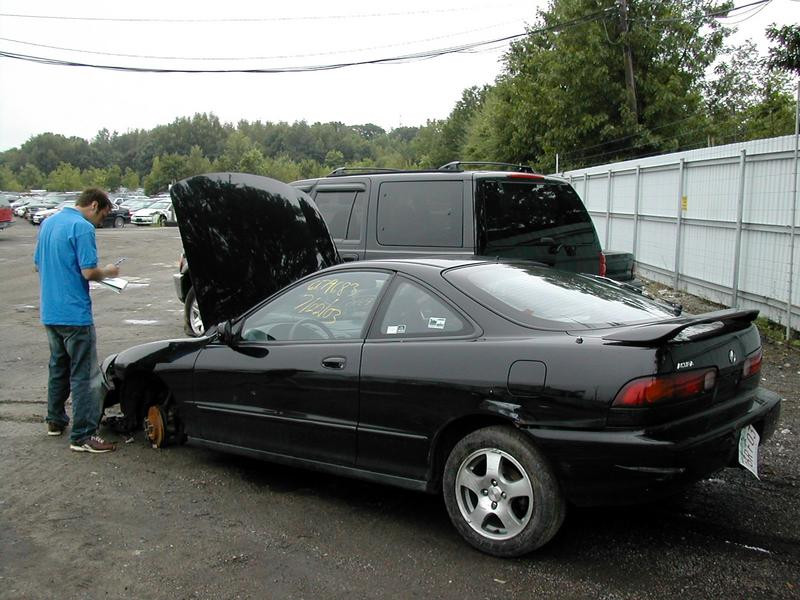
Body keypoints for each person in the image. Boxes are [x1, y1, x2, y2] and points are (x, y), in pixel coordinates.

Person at [34, 188, 120, 453]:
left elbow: (38, 264)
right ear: (94, 205)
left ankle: (55, 420)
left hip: (50, 311)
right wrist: (109, 272)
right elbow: (89, 272)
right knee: (85, 375)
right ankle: (83, 435)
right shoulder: (82, 227)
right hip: (74, 314)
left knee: (58, 366)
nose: (100, 222)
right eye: (102, 216)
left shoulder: (49, 223)